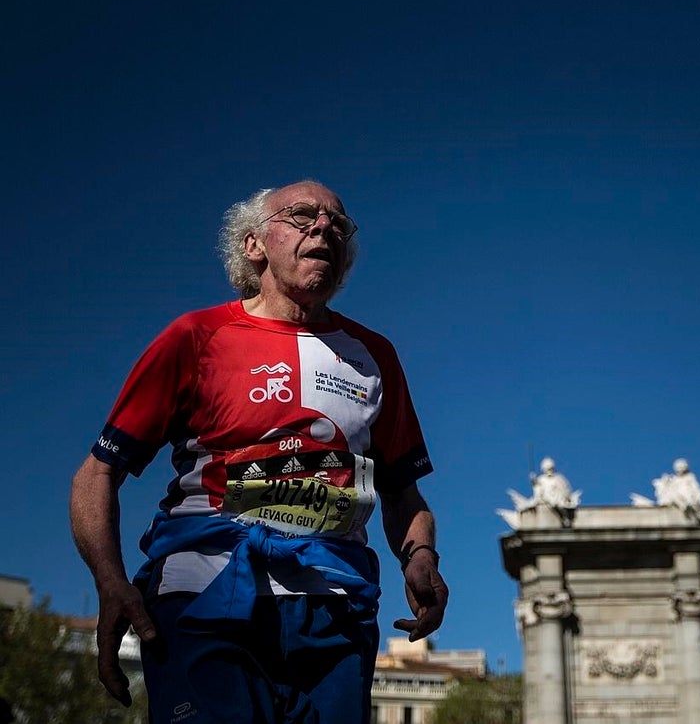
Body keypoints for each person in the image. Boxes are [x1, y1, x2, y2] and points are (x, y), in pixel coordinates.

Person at [69, 181, 448, 723]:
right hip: (204, 594)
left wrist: (421, 558)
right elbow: (97, 472)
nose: (324, 228)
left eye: (338, 224)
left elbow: (403, 492)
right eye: (301, 216)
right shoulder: (196, 336)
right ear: (253, 245)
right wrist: (110, 582)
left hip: (335, 609)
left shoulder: (374, 355)